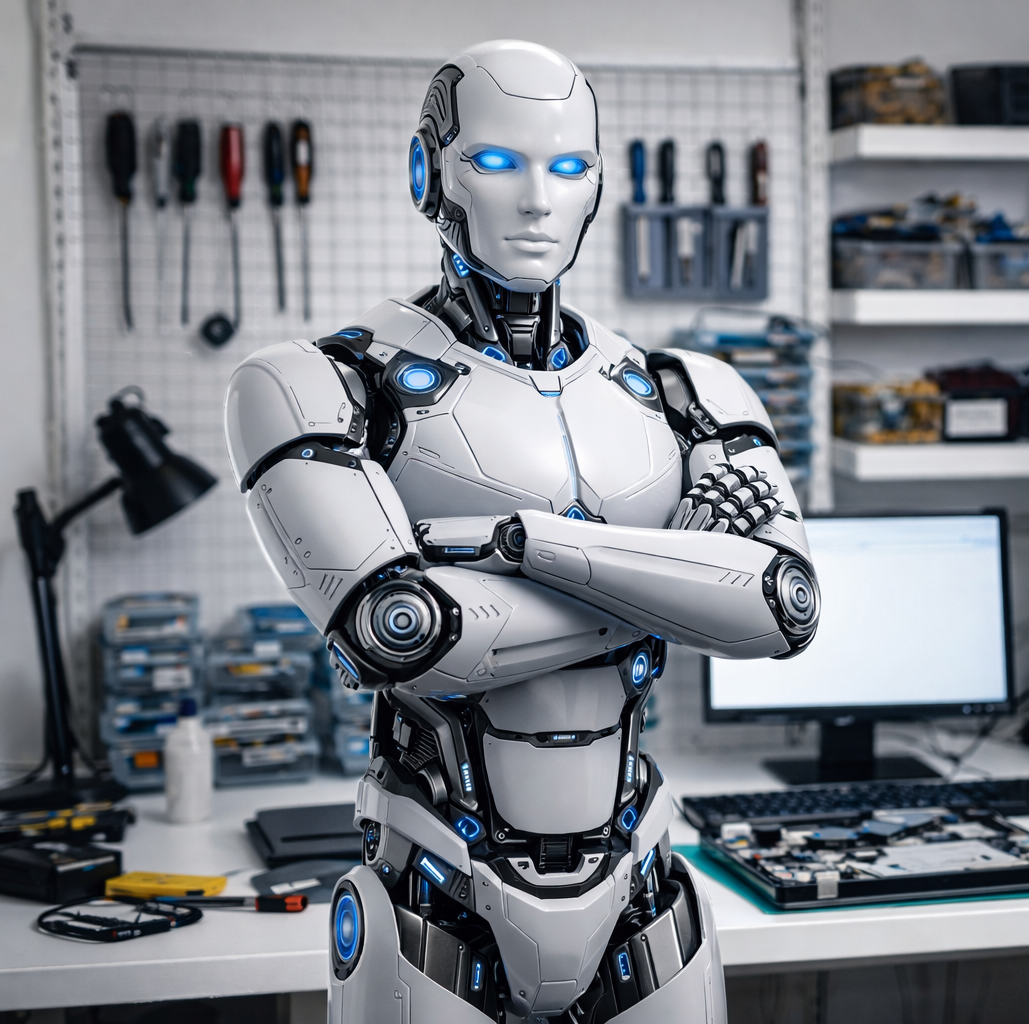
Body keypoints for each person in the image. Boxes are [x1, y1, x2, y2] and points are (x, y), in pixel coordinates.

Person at [224, 39, 818, 1023]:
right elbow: (402, 630)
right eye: (497, 163)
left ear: (598, 187)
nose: (538, 199)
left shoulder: (685, 390)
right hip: (437, 880)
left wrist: (517, 546)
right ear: (430, 173)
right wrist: (682, 583)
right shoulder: (319, 384)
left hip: (642, 875)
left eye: (569, 166)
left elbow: (784, 604)